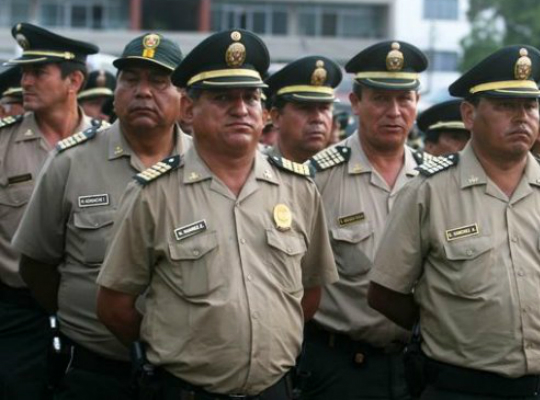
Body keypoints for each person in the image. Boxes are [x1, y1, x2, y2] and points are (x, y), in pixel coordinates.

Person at [96, 29, 338, 400]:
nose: (240, 109)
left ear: (264, 112)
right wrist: (177, 347)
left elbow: (309, 293)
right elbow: (114, 306)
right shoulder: (154, 194)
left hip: (276, 389)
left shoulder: (299, 188)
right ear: (189, 109)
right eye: (223, 97)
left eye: (250, 97)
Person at [367, 45, 540, 400]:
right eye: (505, 106)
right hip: (462, 387)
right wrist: (448, 323)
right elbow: (385, 293)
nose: (521, 117)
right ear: (469, 114)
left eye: (530, 106)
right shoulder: (428, 190)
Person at [12, 32, 189, 400]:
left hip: (186, 374)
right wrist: (82, 315)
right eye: (131, 80)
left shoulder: (206, 164)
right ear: (116, 91)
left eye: (159, 81)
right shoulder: (71, 162)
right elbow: (36, 265)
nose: (143, 92)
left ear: (184, 99)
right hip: (94, 368)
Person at [300, 40, 428, 400]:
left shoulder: (433, 179)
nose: (394, 111)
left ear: (417, 102)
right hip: (341, 367)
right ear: (355, 103)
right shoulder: (317, 177)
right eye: (381, 99)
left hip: (418, 364)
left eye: (404, 99)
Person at [0, 22, 101, 399]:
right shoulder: (3, 143)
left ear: (74, 80)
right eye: (24, 72)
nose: (25, 81)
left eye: (38, 72)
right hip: (16, 315)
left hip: (92, 316)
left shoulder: (108, 145)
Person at [265, 56, 342, 162]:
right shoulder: (254, 168)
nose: (318, 118)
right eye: (305, 108)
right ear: (276, 117)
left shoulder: (345, 169)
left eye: (324, 108)